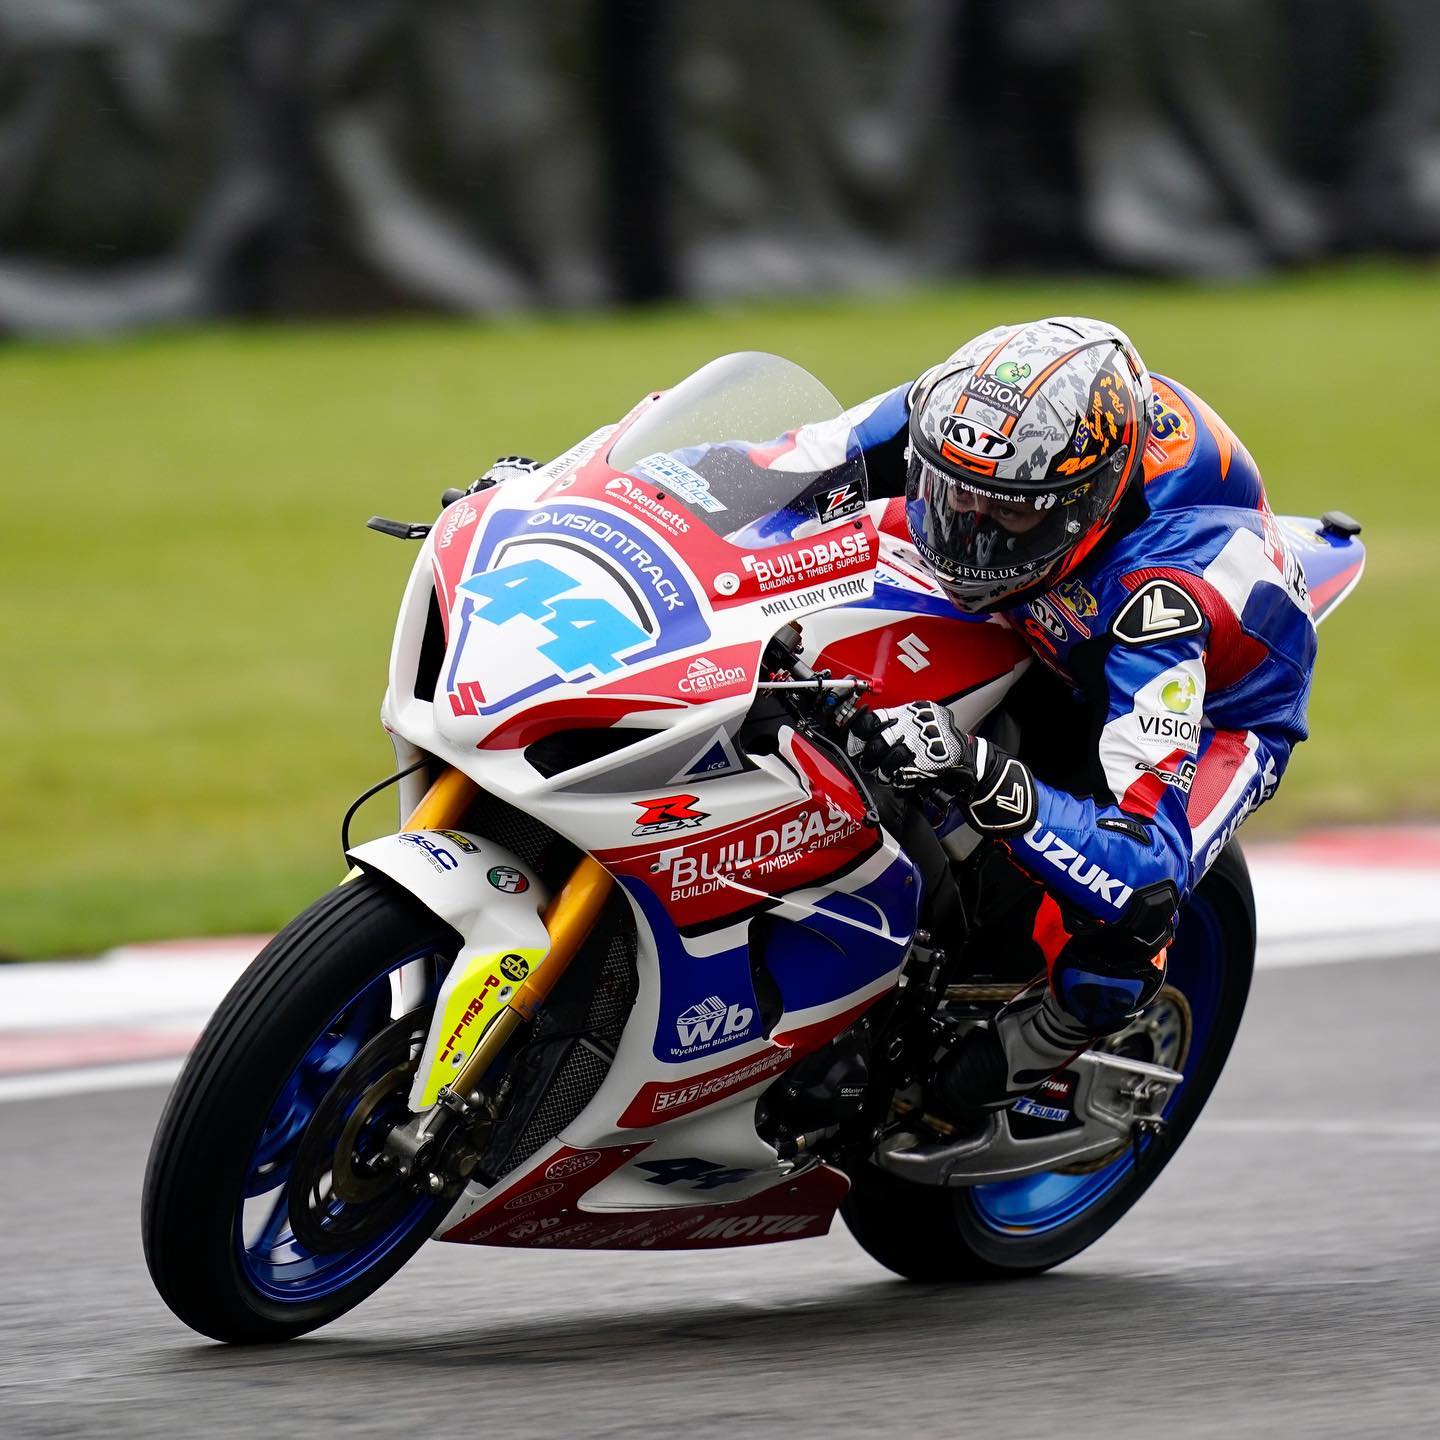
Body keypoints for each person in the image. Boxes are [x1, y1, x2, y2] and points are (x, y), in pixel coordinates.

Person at [784, 316, 1317, 1121]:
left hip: (1212, 703)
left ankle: (1033, 1049)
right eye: (954, 493)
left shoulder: (1161, 606)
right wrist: (577, 489)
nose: (966, 529)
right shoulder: (974, 422)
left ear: (1082, 503)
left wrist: (976, 770)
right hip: (1046, 599)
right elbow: (781, 463)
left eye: (1009, 513)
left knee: (1127, 923)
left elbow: (1142, 865)